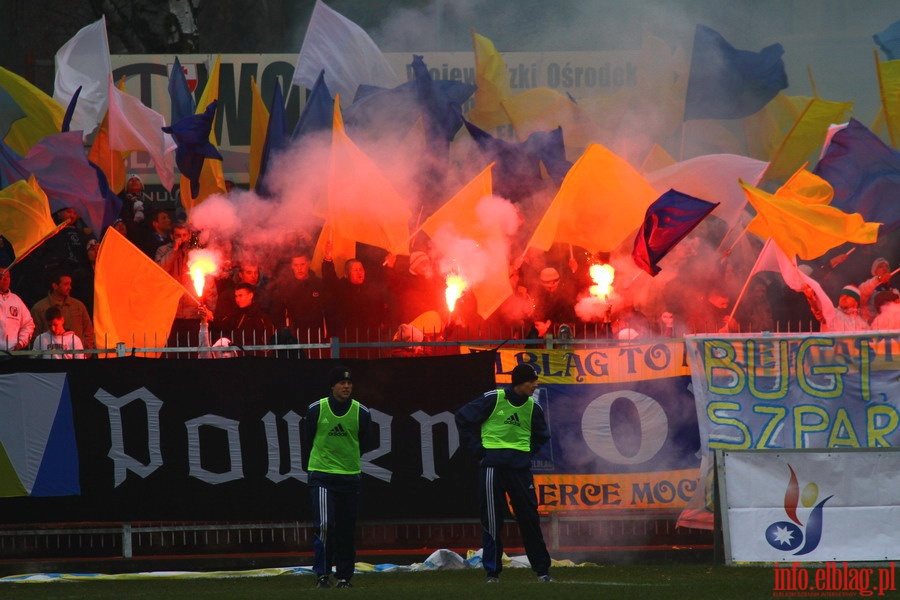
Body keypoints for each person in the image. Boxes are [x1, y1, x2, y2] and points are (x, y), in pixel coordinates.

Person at [455, 363, 554, 584]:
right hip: (493, 468)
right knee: (492, 520)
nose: (535, 385)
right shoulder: (493, 398)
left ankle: (542, 571)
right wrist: (479, 451)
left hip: (519, 470)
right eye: (531, 381)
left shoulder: (533, 407)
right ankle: (492, 573)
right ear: (520, 382)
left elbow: (542, 435)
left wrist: (526, 455)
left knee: (529, 518)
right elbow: (462, 417)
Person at [303, 366, 373, 589]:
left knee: (346, 528)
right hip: (322, 476)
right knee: (325, 524)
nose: (347, 386)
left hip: (349, 477)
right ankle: (322, 575)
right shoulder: (316, 409)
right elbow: (308, 438)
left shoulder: (361, 412)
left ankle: (344, 577)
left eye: (350, 383)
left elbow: (365, 442)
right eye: (342, 383)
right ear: (332, 386)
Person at [30, 270, 95, 351]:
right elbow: (34, 335)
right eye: (66, 284)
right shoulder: (39, 308)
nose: (70, 287)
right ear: (55, 286)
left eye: (70, 284)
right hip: (50, 358)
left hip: (77, 359)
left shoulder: (78, 306)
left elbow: (89, 331)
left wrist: (86, 353)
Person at [0, 269, 35, 351]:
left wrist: (21, 342)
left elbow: (28, 324)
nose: (5, 279)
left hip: (13, 354)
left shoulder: (16, 300)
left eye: (7, 276)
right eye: (1, 276)